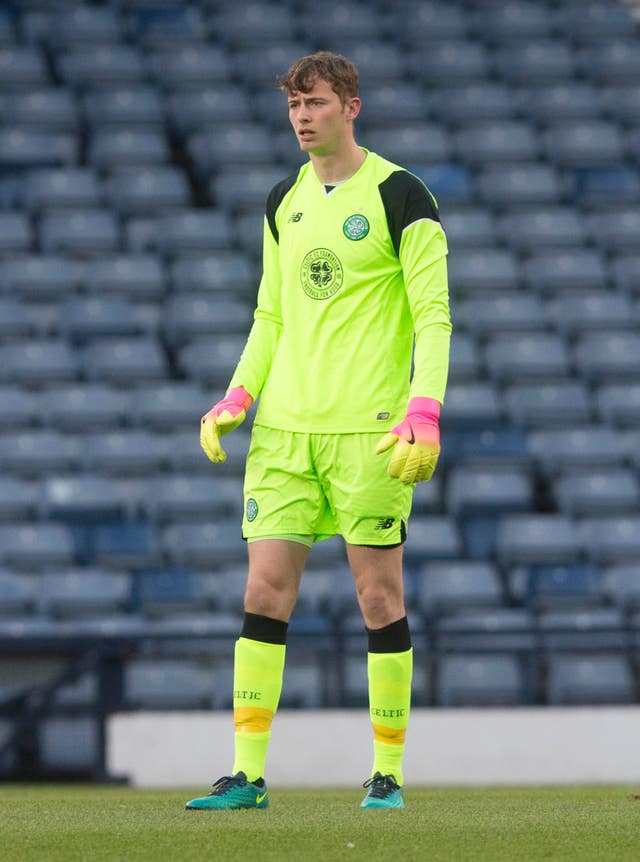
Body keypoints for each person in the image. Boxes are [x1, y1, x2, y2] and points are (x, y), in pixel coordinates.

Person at [186, 51, 451, 812]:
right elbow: (270, 315)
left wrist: (422, 408)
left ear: (351, 107)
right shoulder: (282, 201)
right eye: (294, 105)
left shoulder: (404, 196)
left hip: (368, 431)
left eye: (317, 103)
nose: (303, 117)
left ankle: (388, 775)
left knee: (377, 599)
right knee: (264, 593)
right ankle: (247, 776)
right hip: (285, 434)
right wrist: (238, 395)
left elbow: (433, 315)